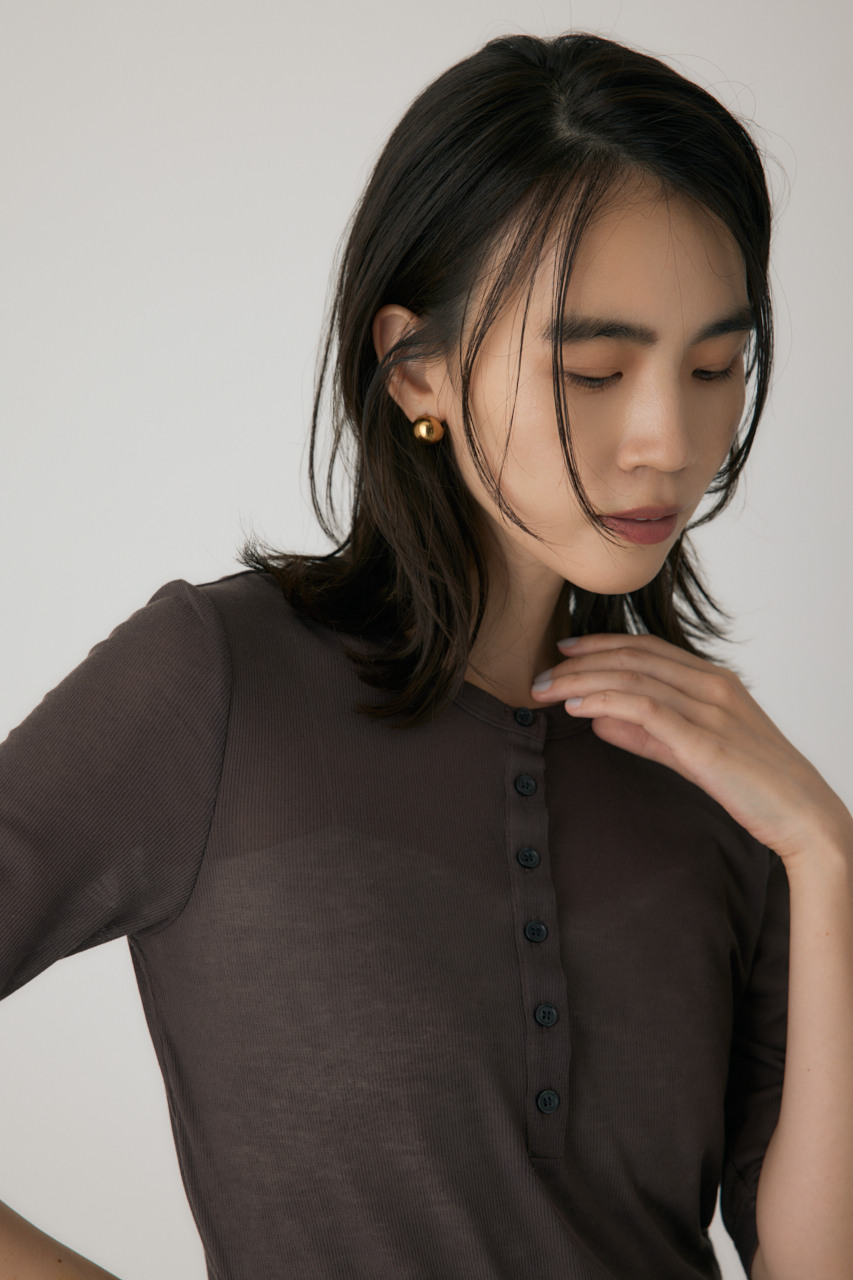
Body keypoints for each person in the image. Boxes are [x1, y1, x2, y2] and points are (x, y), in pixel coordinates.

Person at [1, 30, 851, 1280]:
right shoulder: (217, 682)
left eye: (716, 366)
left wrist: (825, 860)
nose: (669, 438)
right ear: (417, 371)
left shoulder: (726, 779)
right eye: (595, 370)